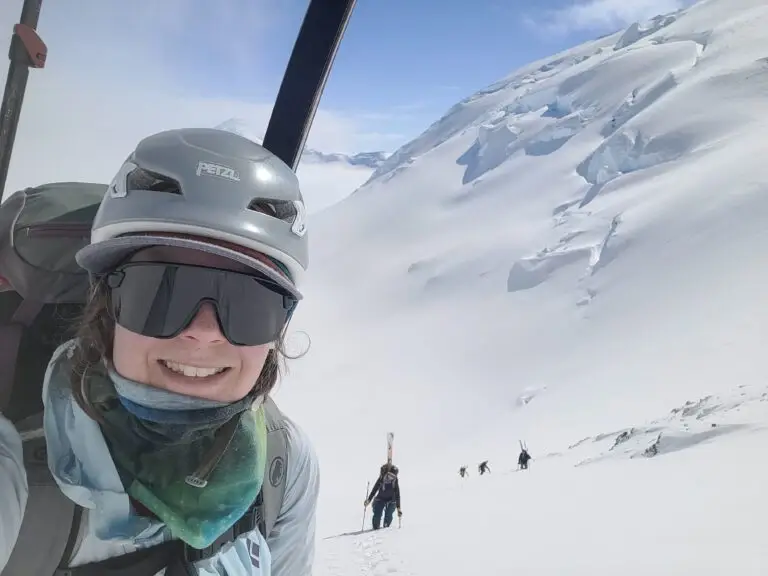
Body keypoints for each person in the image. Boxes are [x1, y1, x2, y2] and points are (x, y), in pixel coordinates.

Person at [0, 128, 319, 575]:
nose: (204, 334)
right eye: (161, 293)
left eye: (248, 305)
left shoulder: (282, 465)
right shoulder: (14, 459)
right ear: (104, 305)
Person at [364, 462, 402, 529]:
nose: (390, 478)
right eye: (389, 475)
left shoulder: (395, 481)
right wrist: (369, 500)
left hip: (391, 500)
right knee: (377, 515)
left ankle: (385, 529)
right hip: (380, 498)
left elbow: (397, 494)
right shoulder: (382, 478)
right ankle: (375, 527)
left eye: (392, 476)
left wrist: (398, 508)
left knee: (388, 515)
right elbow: (375, 489)